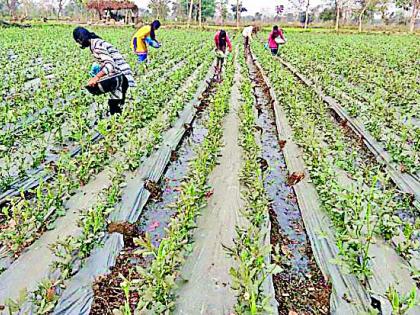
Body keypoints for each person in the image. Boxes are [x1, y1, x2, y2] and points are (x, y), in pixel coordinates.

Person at [73, 27, 135, 116]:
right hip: (121, 73)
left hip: (121, 74)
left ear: (79, 40)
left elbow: (110, 65)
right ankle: (119, 123)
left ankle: (118, 123)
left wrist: (97, 77)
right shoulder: (97, 42)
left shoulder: (97, 46)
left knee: (114, 104)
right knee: (117, 102)